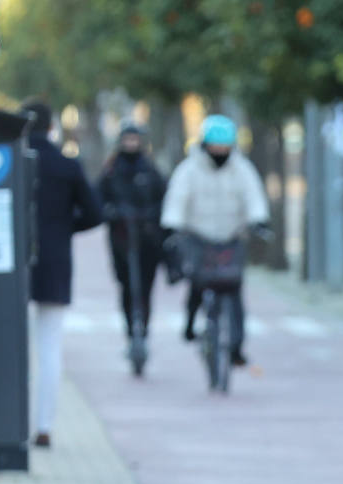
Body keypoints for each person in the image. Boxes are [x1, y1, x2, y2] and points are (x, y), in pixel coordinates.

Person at [23, 99, 104, 449]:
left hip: (12, 265)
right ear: (51, 127)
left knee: (13, 345)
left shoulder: (10, 162)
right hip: (55, 260)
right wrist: (62, 229)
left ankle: (11, 422)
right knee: (50, 345)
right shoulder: (65, 165)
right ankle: (44, 426)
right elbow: (94, 213)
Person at [160, 114, 269, 365]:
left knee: (234, 286)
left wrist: (259, 220)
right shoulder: (189, 169)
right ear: (205, 144)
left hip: (231, 235)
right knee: (198, 282)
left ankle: (236, 346)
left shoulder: (242, 169)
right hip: (198, 234)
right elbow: (178, 198)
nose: (220, 151)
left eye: (225, 146)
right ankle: (189, 324)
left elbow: (253, 196)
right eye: (215, 146)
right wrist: (172, 225)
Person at [96, 122, 165, 341]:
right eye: (127, 139)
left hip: (147, 238)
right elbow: (98, 198)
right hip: (121, 237)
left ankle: (143, 328)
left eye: (134, 139)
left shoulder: (151, 169)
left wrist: (152, 215)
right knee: (125, 283)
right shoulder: (111, 170)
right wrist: (111, 212)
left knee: (146, 285)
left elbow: (163, 198)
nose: (131, 144)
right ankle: (130, 329)